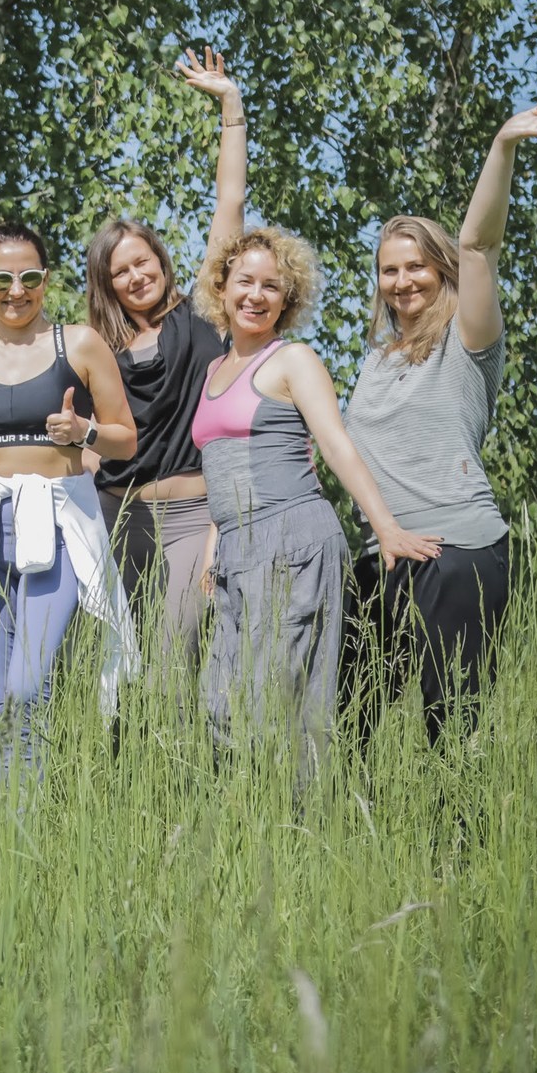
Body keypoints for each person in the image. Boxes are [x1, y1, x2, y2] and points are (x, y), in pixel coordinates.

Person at [343, 102, 537, 745]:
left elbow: (479, 245)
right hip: (382, 554)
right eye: (389, 270)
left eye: (416, 266)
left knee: (450, 725)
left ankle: (462, 818)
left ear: (441, 269)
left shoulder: (469, 341)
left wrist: (503, 144)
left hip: (456, 552)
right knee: (347, 725)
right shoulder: (376, 361)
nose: (402, 281)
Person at [190, 226, 440, 792]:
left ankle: (308, 822)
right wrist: (213, 547)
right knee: (222, 703)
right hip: (234, 548)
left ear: (288, 298)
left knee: (276, 706)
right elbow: (220, 470)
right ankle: (248, 820)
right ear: (222, 287)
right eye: (245, 281)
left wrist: (386, 527)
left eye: (271, 286)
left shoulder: (293, 360)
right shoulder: (212, 371)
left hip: (291, 539)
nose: (256, 295)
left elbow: (335, 444)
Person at [0, 223, 141, 783]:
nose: (15, 291)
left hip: (59, 524)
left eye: (29, 278)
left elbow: (125, 439)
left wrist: (84, 432)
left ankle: (28, 804)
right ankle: (16, 816)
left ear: (46, 279)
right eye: (1, 279)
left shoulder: (80, 344)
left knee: (27, 683)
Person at [85, 48, 249, 702]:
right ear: (107, 284)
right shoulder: (97, 346)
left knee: (170, 660)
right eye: (120, 271)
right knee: (114, 672)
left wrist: (230, 106)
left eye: (142, 261)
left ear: (161, 258)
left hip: (191, 513)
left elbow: (229, 202)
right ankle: (124, 764)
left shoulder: (203, 313)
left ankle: (177, 766)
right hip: (115, 513)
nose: (136, 275)